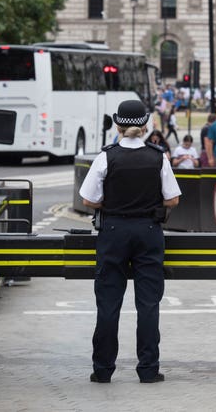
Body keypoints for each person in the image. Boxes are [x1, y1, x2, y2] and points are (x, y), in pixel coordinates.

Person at [79, 99, 182, 384]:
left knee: (109, 303)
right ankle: (148, 369)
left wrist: (113, 204)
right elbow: (173, 198)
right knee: (148, 303)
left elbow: (88, 198)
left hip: (113, 230)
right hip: (149, 231)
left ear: (118, 125)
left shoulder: (106, 157)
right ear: (145, 125)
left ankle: (103, 370)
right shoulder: (157, 156)